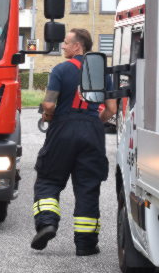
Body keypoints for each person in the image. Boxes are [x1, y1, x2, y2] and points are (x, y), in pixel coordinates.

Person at [31, 28, 117, 256]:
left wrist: (48, 117)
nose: (63, 46)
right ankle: (86, 244)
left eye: (66, 43)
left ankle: (47, 223)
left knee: (48, 179)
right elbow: (111, 109)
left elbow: (49, 105)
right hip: (92, 132)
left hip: (63, 130)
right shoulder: (102, 74)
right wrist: (92, 122)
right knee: (88, 187)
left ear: (78, 46)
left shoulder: (60, 69)